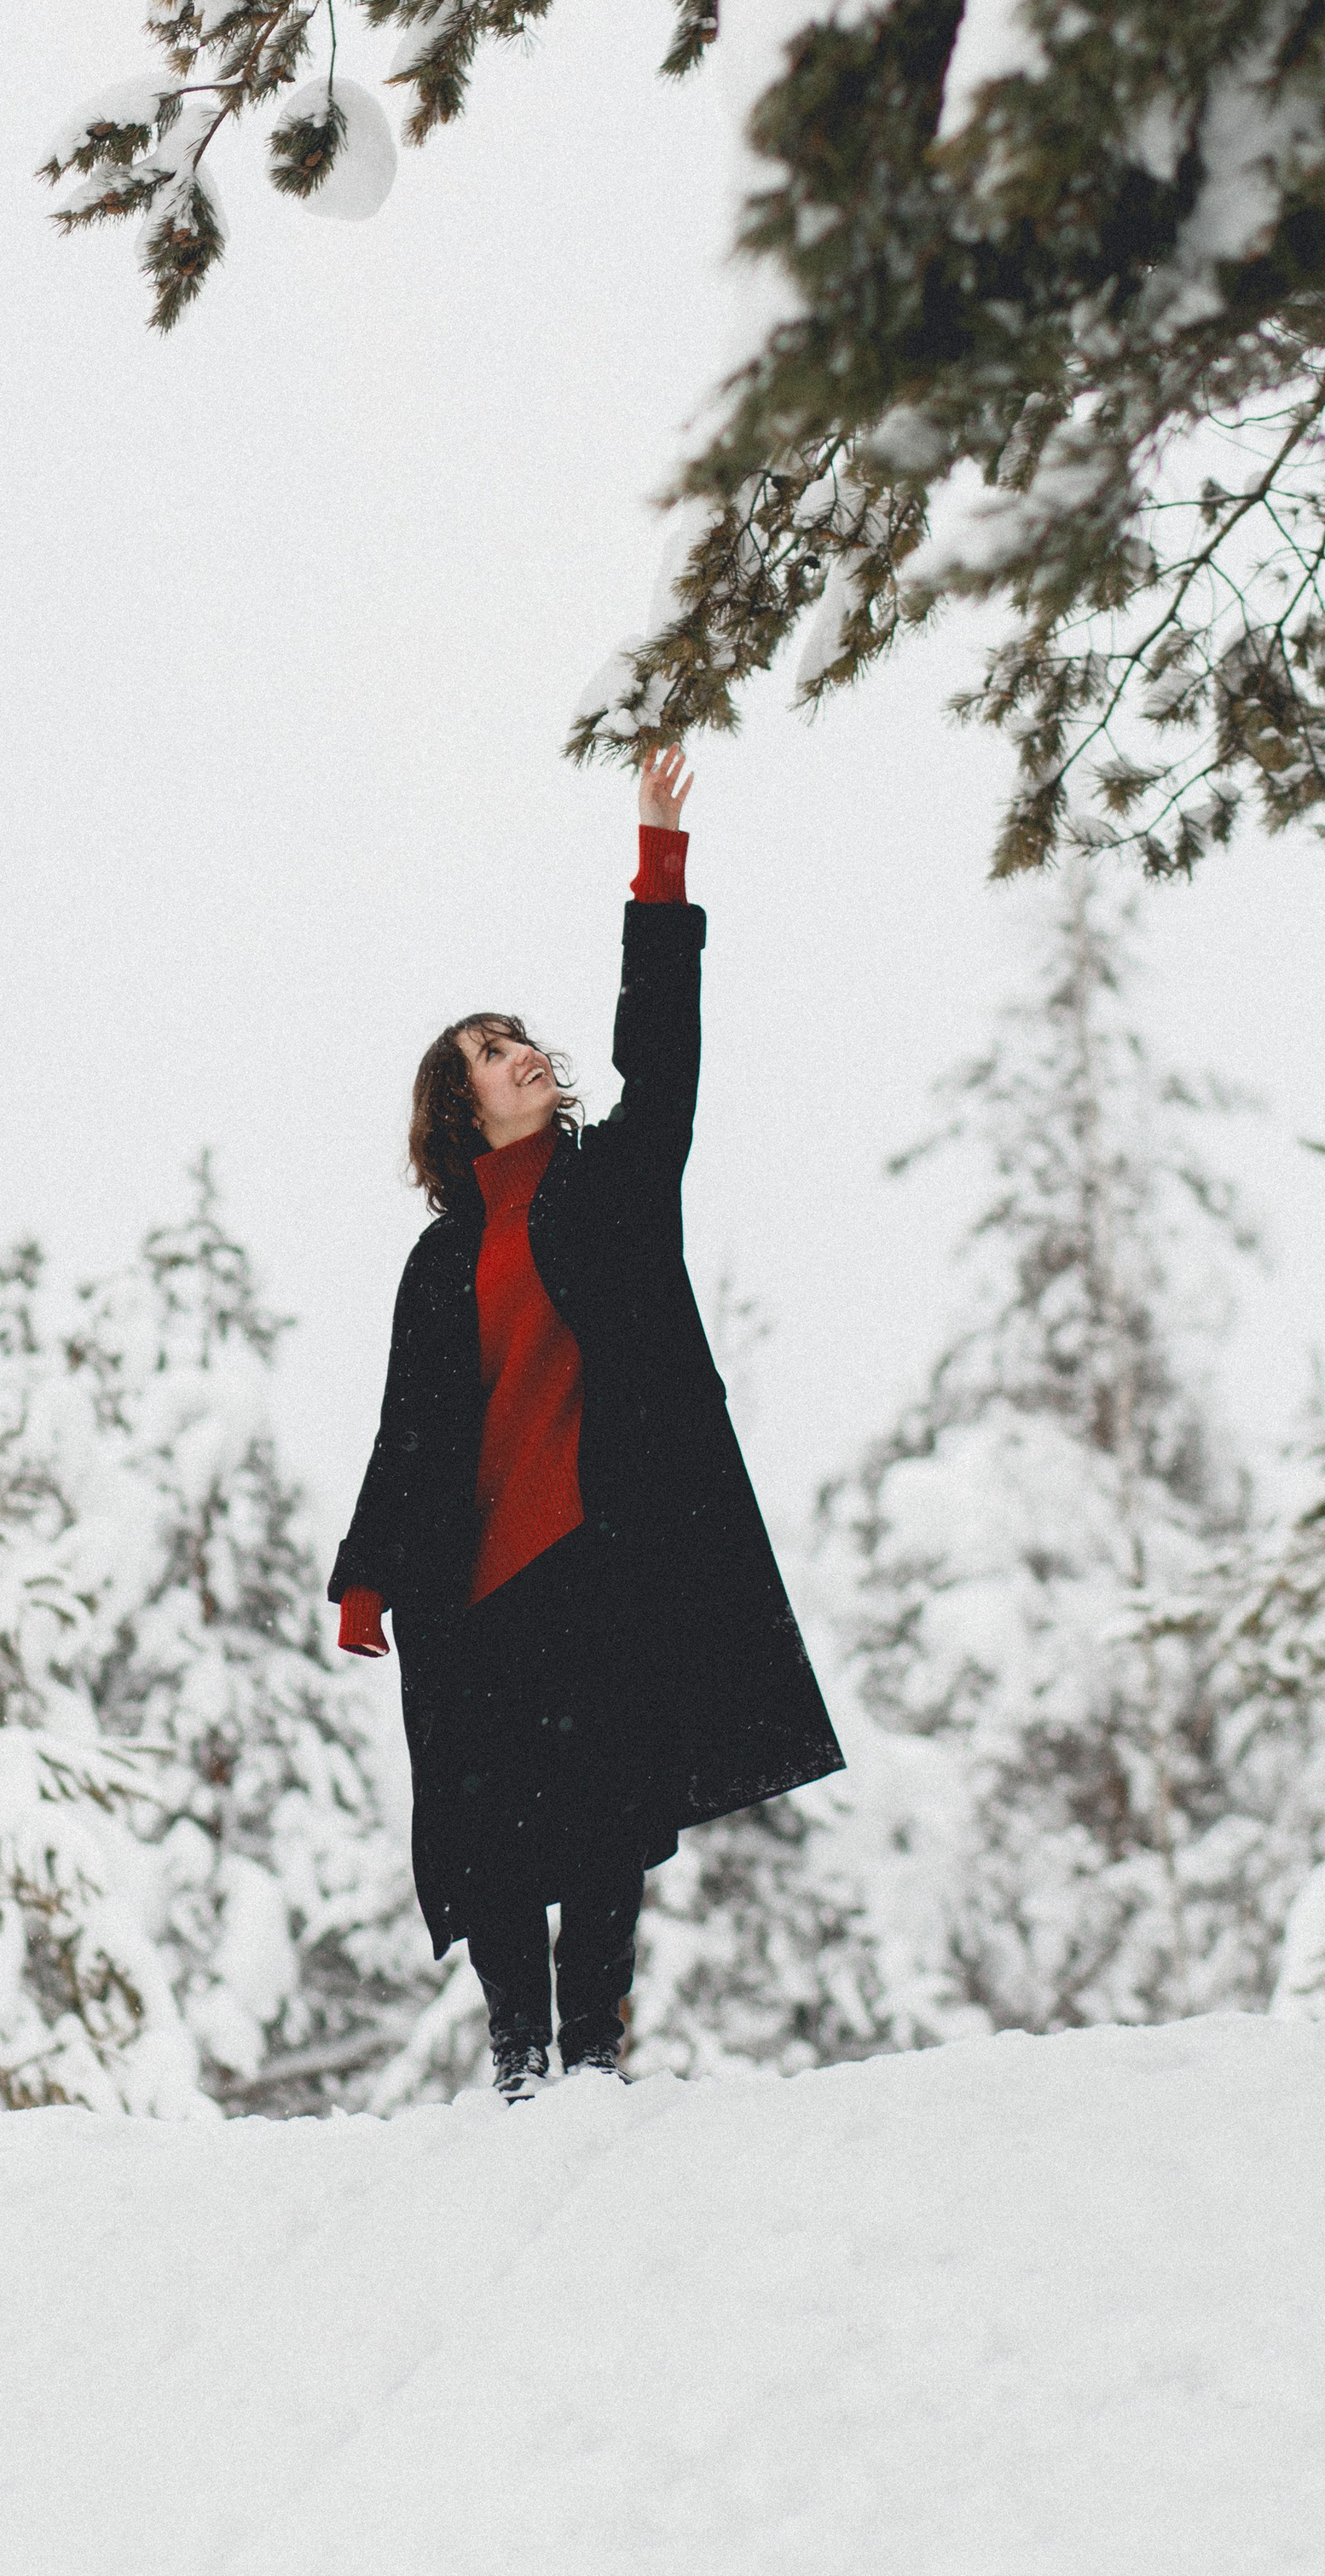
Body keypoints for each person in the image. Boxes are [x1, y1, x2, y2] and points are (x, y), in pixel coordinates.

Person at [329, 748, 843, 2099]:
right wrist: (368, 1570)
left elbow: (660, 1051)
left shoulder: (614, 1180)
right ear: (462, 1109)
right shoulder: (441, 1261)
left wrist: (659, 861)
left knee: (609, 1806)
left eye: (516, 1041)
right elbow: (408, 1424)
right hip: (472, 1581)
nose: (520, 1057)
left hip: (605, 1549)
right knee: (497, 1829)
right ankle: (516, 2062)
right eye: (492, 1056)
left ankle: (595, 2055)